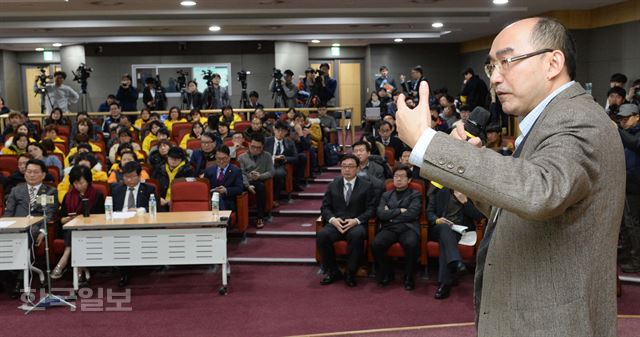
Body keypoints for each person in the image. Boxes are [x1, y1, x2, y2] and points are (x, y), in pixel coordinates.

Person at [394, 17, 625, 336]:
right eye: (492, 67)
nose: (495, 79)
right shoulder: (549, 121)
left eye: (507, 62)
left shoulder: (578, 120)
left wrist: (426, 142)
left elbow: (540, 192)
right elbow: (519, 210)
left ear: (552, 62)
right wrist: (470, 167)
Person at [317, 154, 376, 287]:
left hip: (355, 223)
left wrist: (356, 220)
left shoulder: (367, 186)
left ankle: (350, 272)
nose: (347, 170)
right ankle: (333, 271)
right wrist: (332, 220)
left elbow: (371, 209)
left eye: (350, 166)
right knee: (322, 235)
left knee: (357, 235)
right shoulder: (333, 184)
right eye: (344, 166)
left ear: (358, 168)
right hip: (336, 223)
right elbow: (325, 207)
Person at [3, 159, 59, 296]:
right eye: (29, 172)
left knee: (27, 236)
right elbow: (8, 214)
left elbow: (50, 214)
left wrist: (42, 230)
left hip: (34, 228)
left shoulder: (50, 191)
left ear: (43, 175)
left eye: (35, 172)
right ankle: (9, 272)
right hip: (15, 227)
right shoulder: (16, 190)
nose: (31, 175)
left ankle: (20, 278)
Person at [427, 185, 484, 299]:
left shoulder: (470, 194)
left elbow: (479, 216)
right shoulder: (440, 192)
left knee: (446, 243)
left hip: (458, 230)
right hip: (438, 228)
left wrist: (465, 202)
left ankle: (445, 283)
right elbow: (429, 212)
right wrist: (437, 220)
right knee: (444, 229)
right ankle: (455, 263)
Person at [51, 165, 105, 283]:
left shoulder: (97, 195)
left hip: (91, 229)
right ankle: (80, 268)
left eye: (81, 183)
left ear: (88, 180)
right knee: (73, 230)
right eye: (75, 183)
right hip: (70, 228)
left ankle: (64, 261)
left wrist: (82, 219)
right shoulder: (68, 196)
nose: (78, 186)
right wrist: (66, 219)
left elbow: (101, 217)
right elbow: (61, 217)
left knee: (76, 232)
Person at [372, 165, 422, 290]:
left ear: (409, 180)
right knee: (377, 244)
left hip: (408, 227)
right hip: (390, 228)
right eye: (396, 176)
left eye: (402, 176)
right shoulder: (386, 195)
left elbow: (413, 213)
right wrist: (400, 210)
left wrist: (391, 215)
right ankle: (387, 272)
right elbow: (380, 214)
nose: (398, 179)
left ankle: (409, 276)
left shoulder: (415, 194)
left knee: (411, 243)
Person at [110, 161, 156, 287]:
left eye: (132, 177)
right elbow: (111, 209)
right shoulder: (116, 189)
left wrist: (141, 210)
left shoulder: (149, 189)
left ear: (139, 176)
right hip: (120, 224)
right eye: (126, 177)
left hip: (141, 223)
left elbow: (156, 210)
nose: (129, 180)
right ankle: (124, 272)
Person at [615, 104, 640, 273]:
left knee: (633, 224)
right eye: (621, 120)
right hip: (625, 184)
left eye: (626, 119)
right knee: (625, 223)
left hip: (636, 186)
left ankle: (636, 259)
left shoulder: (633, 134)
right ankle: (628, 253)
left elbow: (636, 144)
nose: (623, 122)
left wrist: (617, 130)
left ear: (637, 116)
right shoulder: (627, 132)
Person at [238, 134, 274, 228]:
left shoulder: (267, 156)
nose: (255, 150)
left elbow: (271, 172)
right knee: (235, 188)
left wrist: (260, 176)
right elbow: (241, 174)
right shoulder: (242, 157)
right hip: (245, 181)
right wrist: (247, 185)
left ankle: (260, 217)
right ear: (249, 144)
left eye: (258, 148)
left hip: (258, 181)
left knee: (261, 187)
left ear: (263, 147)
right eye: (253, 147)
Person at [265, 121, 298, 204]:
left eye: (283, 131)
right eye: (278, 130)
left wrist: (285, 158)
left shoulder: (290, 143)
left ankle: (275, 198)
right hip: (267, 164)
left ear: (286, 132)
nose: (280, 133)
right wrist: (273, 158)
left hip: (280, 165)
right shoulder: (267, 141)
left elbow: (296, 158)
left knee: (278, 174)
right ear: (274, 130)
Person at [203, 146, 243, 212]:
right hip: (211, 201)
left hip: (227, 202)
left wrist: (226, 190)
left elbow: (239, 189)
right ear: (215, 157)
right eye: (219, 159)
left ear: (229, 157)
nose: (221, 161)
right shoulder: (209, 170)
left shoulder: (236, 171)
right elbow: (204, 188)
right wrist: (212, 190)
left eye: (224, 158)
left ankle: (222, 220)